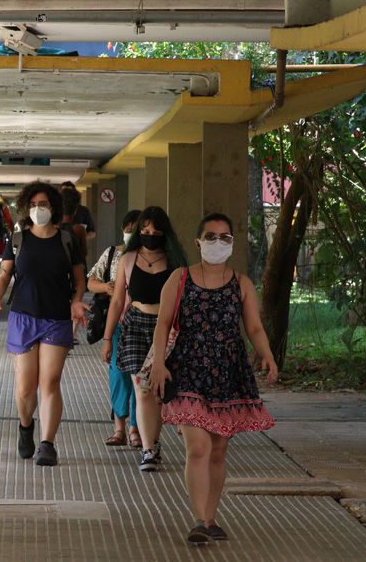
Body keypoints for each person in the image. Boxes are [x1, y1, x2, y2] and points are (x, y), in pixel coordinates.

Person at [148, 212, 278, 545]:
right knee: (199, 446)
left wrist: (267, 354)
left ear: (232, 243)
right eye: (211, 236)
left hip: (228, 374)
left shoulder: (241, 283)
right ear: (197, 241)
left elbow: (253, 327)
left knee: (218, 450)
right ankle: (199, 520)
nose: (217, 243)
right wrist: (159, 363)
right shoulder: (179, 279)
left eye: (225, 237)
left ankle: (211, 516)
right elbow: (163, 324)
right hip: (188, 371)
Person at [0, 181, 87, 467]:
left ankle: (47, 444)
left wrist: (77, 301)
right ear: (26, 208)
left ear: (53, 207)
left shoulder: (66, 240)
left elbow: (79, 280)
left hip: (56, 319)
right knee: (25, 388)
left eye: (44, 204)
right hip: (23, 317)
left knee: (50, 382)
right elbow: (5, 274)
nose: (38, 209)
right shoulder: (18, 240)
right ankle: (26, 425)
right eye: (33, 205)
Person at [101, 206, 187, 472]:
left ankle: (154, 441)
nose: (150, 234)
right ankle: (149, 450)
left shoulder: (175, 263)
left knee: (157, 391)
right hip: (136, 325)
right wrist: (107, 338)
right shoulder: (128, 259)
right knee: (142, 388)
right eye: (145, 230)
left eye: (155, 230)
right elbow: (117, 302)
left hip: (167, 329)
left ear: (165, 232)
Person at [88, 210, 142, 447]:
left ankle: (136, 428)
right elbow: (91, 281)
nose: (131, 234)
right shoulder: (113, 254)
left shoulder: (152, 257)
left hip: (143, 325)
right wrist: (105, 288)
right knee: (118, 375)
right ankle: (119, 426)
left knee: (140, 378)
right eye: (128, 229)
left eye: (136, 230)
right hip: (118, 322)